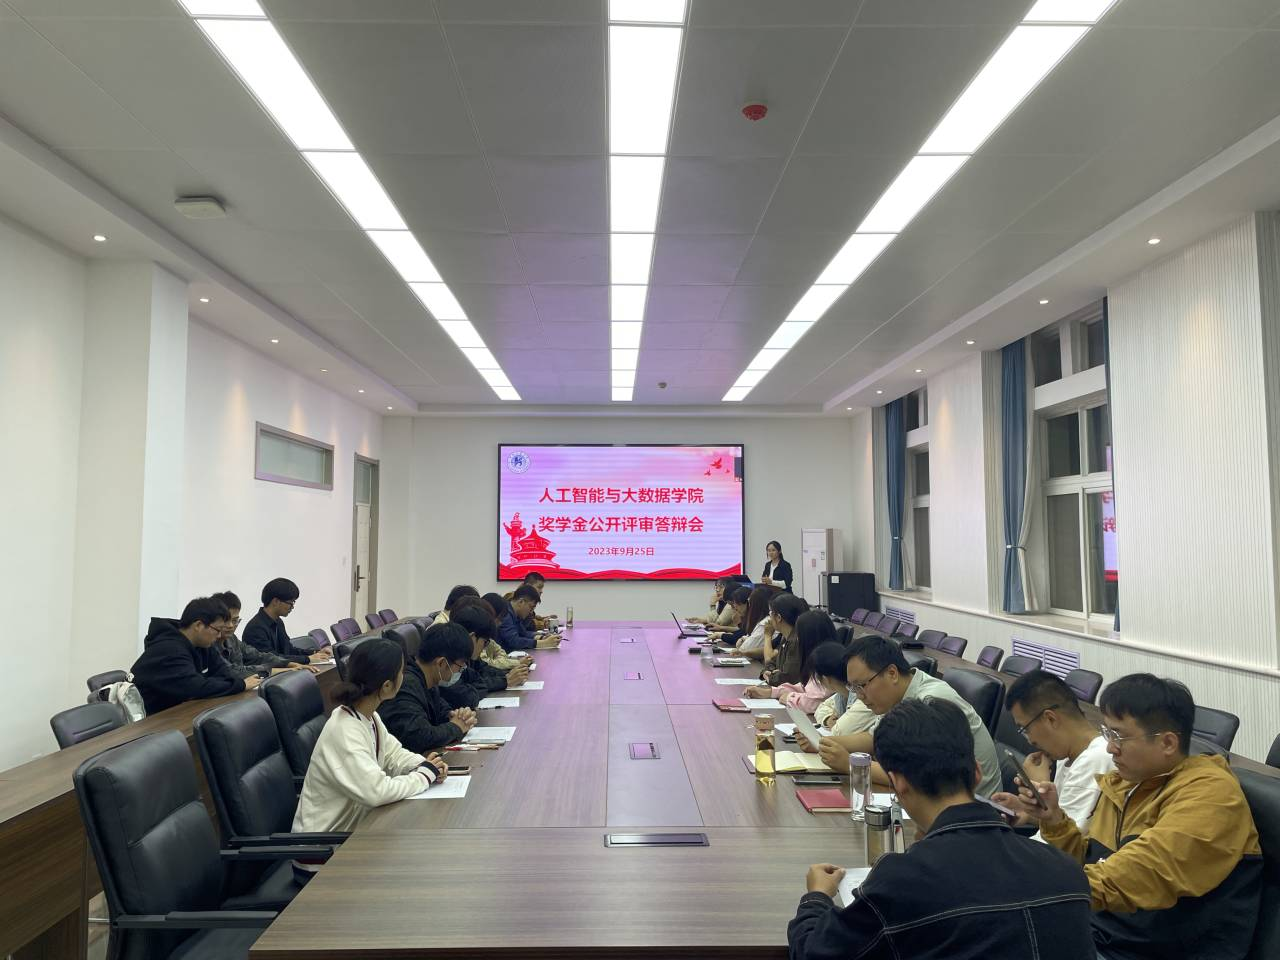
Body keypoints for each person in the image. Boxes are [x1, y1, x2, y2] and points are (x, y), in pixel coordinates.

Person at [789, 698, 1094, 959]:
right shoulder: (1066, 870)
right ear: (976, 773)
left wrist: (816, 897)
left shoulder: (900, 883)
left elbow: (813, 952)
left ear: (898, 782)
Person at [996, 674, 1263, 960]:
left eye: (1119, 735)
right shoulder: (1127, 784)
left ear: (1168, 743)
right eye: (1107, 732)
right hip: (1104, 933)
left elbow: (1141, 872)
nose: (1110, 747)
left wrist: (1038, 885)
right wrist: (1054, 822)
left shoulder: (1211, 795)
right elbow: (1092, 860)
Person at [292, 638, 447, 877]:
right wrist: (424, 776)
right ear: (387, 686)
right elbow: (377, 791)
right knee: (417, 868)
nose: (404, 676)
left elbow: (394, 755)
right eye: (401, 672)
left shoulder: (367, 716)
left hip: (350, 835)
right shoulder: (344, 729)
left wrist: (423, 764)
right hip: (322, 855)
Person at [817, 635, 1002, 798]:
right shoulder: (899, 694)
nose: (859, 696)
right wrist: (825, 744)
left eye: (862, 685)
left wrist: (851, 764)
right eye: (853, 687)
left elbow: (914, 777)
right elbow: (873, 738)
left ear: (892, 673)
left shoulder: (931, 702)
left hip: (971, 810)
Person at [1003, 669, 1113, 842]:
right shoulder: (1068, 754)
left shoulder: (1095, 761)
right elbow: (1062, 821)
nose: (1030, 740)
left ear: (1050, 719)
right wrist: (1028, 813)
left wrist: (1041, 788)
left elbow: (1065, 845)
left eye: (1025, 729)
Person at [130, 596, 260, 714]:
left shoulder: (203, 644)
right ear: (198, 625)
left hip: (179, 711)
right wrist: (241, 685)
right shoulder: (169, 650)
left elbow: (225, 674)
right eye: (217, 630)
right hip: (148, 719)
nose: (219, 635)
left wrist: (230, 684)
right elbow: (196, 687)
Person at [377, 622, 478, 752]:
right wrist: (456, 727)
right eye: (460, 667)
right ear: (441, 663)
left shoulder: (428, 681)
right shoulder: (405, 685)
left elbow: (441, 711)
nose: (460, 671)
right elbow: (418, 737)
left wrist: (455, 716)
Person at [438, 603, 531, 709]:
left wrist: (507, 676)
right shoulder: (449, 659)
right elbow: (466, 697)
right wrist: (505, 681)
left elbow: (483, 674)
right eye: (485, 642)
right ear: (472, 638)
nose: (484, 648)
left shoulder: (468, 657)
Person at [744, 611, 838, 712]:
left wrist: (788, 698)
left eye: (799, 635)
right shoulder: (818, 660)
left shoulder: (828, 664)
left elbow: (813, 703)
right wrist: (770, 692)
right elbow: (805, 688)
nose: (797, 639)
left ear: (809, 638)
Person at [210, 590, 310, 680]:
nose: (231, 626)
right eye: (226, 620)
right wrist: (276, 670)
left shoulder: (232, 639)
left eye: (235, 620)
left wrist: (287, 663)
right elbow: (234, 672)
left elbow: (258, 655)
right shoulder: (208, 645)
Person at [242, 578, 331, 664]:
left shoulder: (278, 622)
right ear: (276, 601)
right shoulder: (255, 628)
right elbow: (272, 659)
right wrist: (307, 659)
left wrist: (315, 653)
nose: (292, 607)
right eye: (290, 603)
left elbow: (288, 650)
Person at [761, 591, 808, 686]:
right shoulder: (785, 637)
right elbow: (771, 663)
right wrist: (769, 672)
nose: (769, 618)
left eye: (770, 613)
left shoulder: (795, 641)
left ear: (778, 617)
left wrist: (770, 676)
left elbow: (787, 679)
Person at [734, 584, 782, 660]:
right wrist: (744, 638)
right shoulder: (764, 620)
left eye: (750, 603)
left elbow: (743, 649)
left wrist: (743, 641)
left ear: (755, 605)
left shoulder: (766, 622)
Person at [497, 584, 540, 652]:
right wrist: (541, 643)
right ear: (521, 602)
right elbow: (514, 641)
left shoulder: (515, 614)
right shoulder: (505, 613)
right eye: (531, 607)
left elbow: (523, 633)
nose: (531, 612)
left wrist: (541, 637)